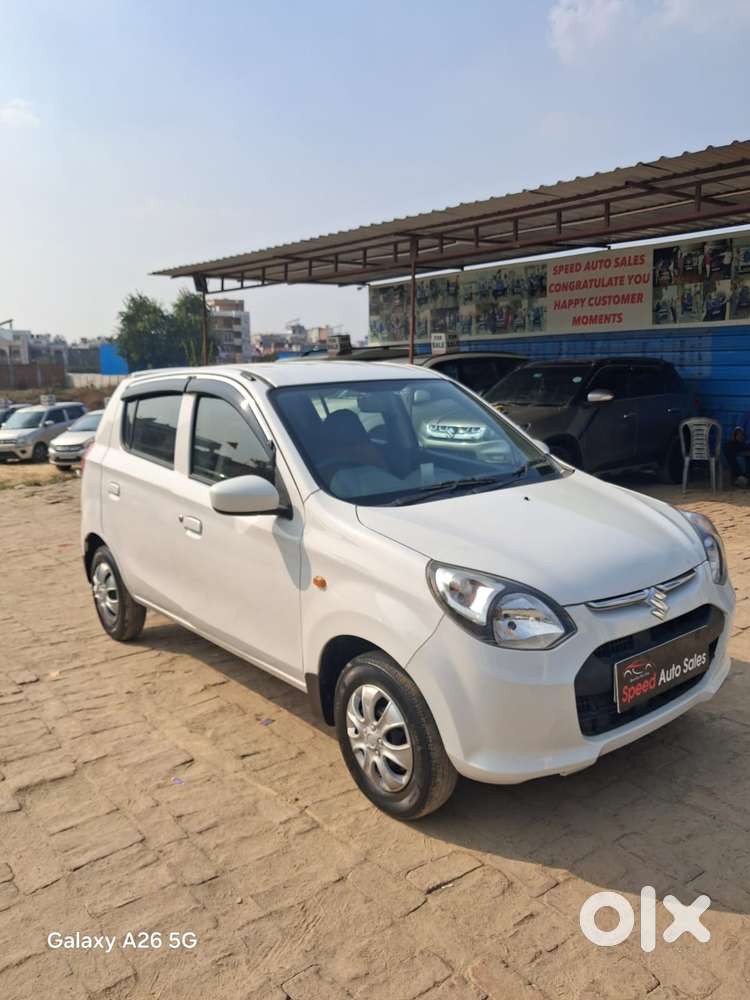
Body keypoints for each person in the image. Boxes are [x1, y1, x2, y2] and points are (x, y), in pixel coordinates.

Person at [724, 415, 750, 486]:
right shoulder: (747, 415)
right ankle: (739, 475)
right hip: (744, 442)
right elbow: (739, 428)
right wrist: (738, 433)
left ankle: (745, 478)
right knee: (727, 446)